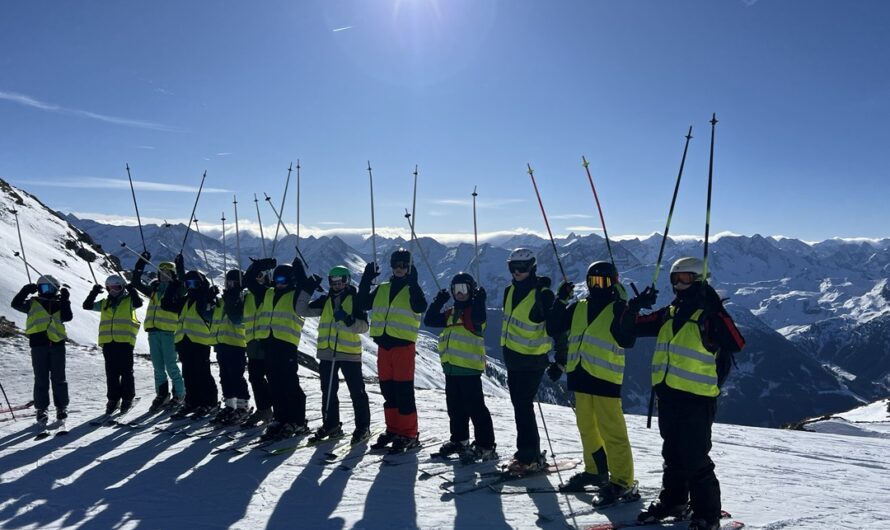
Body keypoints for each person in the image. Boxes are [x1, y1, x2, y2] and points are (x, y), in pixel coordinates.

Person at [628, 257, 745, 530]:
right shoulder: (669, 313)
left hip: (697, 399)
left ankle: (707, 515)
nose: (679, 284)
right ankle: (674, 502)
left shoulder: (708, 314)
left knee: (695, 458)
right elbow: (634, 327)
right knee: (672, 454)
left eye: (686, 278)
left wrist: (715, 308)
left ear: (699, 280)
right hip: (668, 395)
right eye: (675, 279)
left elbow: (736, 343)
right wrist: (634, 306)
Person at [548, 261, 639, 504]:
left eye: (603, 281)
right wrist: (561, 300)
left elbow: (628, 340)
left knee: (613, 432)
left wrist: (628, 308)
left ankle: (622, 482)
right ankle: (595, 471)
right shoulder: (579, 307)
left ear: (613, 283)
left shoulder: (618, 308)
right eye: (593, 281)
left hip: (605, 378)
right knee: (587, 428)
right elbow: (553, 326)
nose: (597, 286)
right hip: (580, 376)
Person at [357, 248, 428, 453]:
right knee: (388, 391)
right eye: (396, 264)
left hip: (403, 347)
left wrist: (414, 283)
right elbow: (362, 303)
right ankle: (394, 429)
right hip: (384, 347)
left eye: (404, 265)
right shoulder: (383, 288)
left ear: (409, 267)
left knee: (403, 392)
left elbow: (420, 306)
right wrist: (366, 279)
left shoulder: (412, 288)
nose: (399, 268)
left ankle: (409, 434)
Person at [424, 272, 496, 463]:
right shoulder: (451, 313)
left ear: (471, 290)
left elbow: (479, 319)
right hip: (451, 369)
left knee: (476, 408)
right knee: (455, 408)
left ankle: (486, 445)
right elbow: (429, 320)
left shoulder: (473, 313)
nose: (459, 293)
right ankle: (460, 440)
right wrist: (438, 301)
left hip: (469, 370)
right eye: (456, 289)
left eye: (464, 288)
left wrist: (480, 300)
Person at [500, 248, 559, 473]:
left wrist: (560, 361)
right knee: (519, 405)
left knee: (523, 405)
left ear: (532, 268)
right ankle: (526, 453)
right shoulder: (509, 291)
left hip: (533, 360)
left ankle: (529, 456)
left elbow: (557, 329)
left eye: (522, 268)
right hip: (513, 358)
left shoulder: (542, 294)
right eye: (512, 267)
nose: (517, 272)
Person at [301, 265, 372, 445]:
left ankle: (363, 428)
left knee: (357, 392)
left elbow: (364, 327)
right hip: (327, 354)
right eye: (333, 282)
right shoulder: (326, 300)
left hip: (349, 353)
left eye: (341, 281)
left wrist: (348, 320)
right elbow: (302, 310)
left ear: (347, 281)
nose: (337, 285)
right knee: (328, 391)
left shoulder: (355, 300)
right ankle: (331, 425)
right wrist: (308, 288)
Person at [250, 256, 315, 440]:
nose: (278, 283)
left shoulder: (296, 296)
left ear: (291, 280)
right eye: (276, 279)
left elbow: (305, 286)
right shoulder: (268, 293)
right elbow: (249, 281)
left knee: (289, 383)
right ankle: (280, 419)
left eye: (282, 280)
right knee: (275, 383)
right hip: (269, 344)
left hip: (286, 345)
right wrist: (260, 265)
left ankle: (297, 421)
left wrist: (299, 269)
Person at [162, 254, 219, 418]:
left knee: (202, 374)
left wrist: (208, 294)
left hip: (200, 342)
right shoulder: (185, 301)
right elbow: (166, 305)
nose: (190, 287)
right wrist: (173, 286)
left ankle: (209, 402)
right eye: (188, 284)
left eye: (193, 283)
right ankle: (192, 401)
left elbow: (206, 311)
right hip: (184, 341)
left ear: (200, 284)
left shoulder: (205, 298)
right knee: (188, 374)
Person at [11, 275, 72, 424]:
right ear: (39, 289)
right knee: (41, 379)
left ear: (56, 289)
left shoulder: (60, 303)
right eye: (44, 288)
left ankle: (61, 407)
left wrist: (65, 300)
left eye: (51, 288)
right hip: (38, 346)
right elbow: (15, 304)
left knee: (59, 378)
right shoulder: (32, 303)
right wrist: (25, 290)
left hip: (57, 345)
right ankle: (42, 409)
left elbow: (67, 316)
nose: (47, 291)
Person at [131, 252, 185, 411]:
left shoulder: (177, 290)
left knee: (171, 365)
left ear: (173, 275)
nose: (164, 276)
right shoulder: (154, 290)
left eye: (168, 273)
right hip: (153, 333)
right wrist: (141, 263)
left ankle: (179, 394)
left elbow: (183, 282)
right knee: (158, 367)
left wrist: (180, 266)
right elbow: (136, 282)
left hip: (169, 333)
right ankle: (162, 394)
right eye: (161, 273)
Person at [83, 274, 143, 415]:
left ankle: (127, 398)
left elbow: (138, 303)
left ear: (123, 288)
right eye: (110, 288)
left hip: (125, 342)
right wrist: (93, 293)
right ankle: (113, 399)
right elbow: (87, 306)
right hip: (108, 342)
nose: (113, 291)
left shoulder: (129, 301)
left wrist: (132, 291)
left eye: (117, 287)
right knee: (111, 373)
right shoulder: (104, 303)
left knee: (126, 372)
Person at [209, 269, 252, 424]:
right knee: (224, 376)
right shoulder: (223, 299)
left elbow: (238, 319)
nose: (230, 285)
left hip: (236, 343)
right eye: (228, 282)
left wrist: (233, 298)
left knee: (236, 376)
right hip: (221, 342)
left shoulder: (243, 298)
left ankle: (242, 405)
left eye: (234, 283)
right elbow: (211, 316)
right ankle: (229, 404)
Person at [241, 258, 277, 427]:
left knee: (273, 379)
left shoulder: (270, 293)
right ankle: (264, 409)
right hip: (253, 343)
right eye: (257, 276)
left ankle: (277, 412)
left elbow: (248, 279)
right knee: (255, 378)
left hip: (268, 342)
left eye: (261, 275)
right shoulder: (249, 296)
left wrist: (258, 266)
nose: (258, 278)